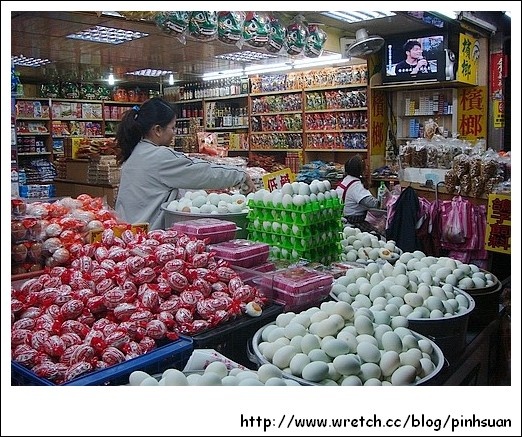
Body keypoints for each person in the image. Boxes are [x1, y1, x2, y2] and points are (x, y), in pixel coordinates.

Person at [115, 97, 256, 230]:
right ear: (157, 130)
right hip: (149, 237)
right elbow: (201, 173)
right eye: (172, 128)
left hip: (128, 234)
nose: (174, 133)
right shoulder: (160, 157)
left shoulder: (134, 153)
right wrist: (240, 175)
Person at [336, 155, 387, 234]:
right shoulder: (356, 185)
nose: (367, 168)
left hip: (342, 218)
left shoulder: (345, 181)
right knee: (379, 235)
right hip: (353, 222)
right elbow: (372, 203)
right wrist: (385, 199)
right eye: (365, 166)